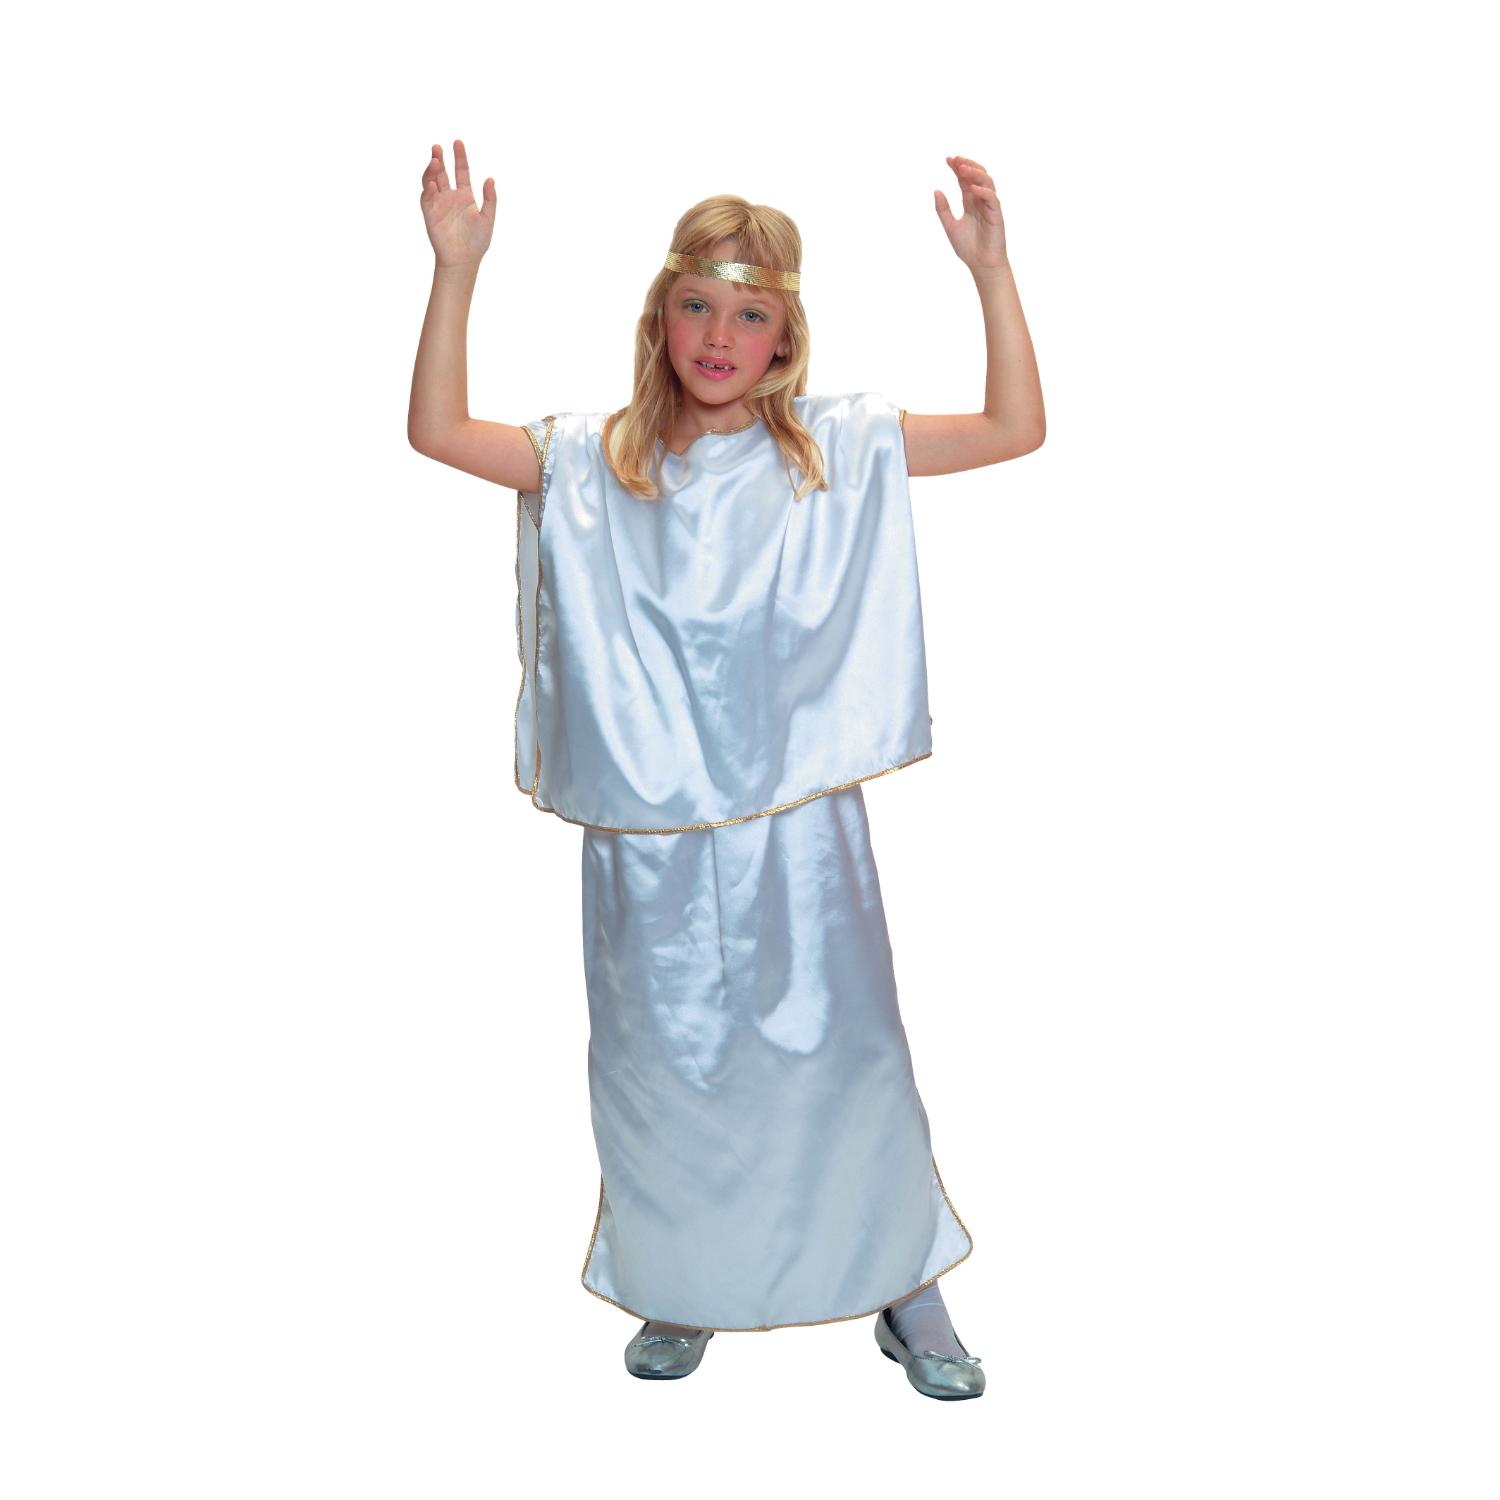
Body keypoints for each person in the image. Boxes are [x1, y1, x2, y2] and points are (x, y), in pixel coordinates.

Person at [408, 141, 1045, 1401]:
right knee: (663, 1063)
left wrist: (992, 271)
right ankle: (685, 1276)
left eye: (750, 314)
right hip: (643, 828)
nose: (719, 336)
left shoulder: (832, 451)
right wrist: (455, 271)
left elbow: (1015, 430)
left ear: (784, 336)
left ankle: (904, 1286)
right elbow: (435, 431)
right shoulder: (595, 463)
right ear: (662, 318)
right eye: (697, 305)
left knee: (844, 1050)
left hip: (797, 823)